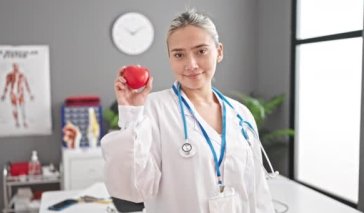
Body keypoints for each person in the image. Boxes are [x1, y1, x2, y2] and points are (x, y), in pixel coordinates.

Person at [101, 9, 275, 213]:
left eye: (201, 51)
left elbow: (258, 191)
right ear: (170, 58)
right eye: (179, 54)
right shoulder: (153, 108)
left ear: (219, 51)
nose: (191, 64)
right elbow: (135, 189)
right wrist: (131, 114)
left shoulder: (241, 114)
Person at [0, 63, 34, 128]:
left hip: (20, 93)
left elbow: (27, 85)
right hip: (13, 93)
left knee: (22, 108)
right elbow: (6, 85)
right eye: (15, 67)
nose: (16, 69)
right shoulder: (9, 75)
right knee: (14, 108)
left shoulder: (22, 75)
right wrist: (4, 94)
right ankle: (17, 122)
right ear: (13, 68)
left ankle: (24, 122)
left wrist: (30, 94)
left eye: (17, 67)